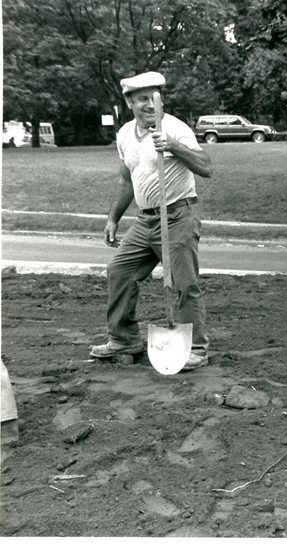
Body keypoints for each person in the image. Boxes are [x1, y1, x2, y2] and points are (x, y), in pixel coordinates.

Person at [90, 71, 213, 371]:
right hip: (144, 221)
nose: (149, 104)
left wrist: (173, 146)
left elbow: (206, 167)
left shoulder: (176, 129)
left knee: (184, 283)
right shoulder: (124, 135)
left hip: (177, 215)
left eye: (154, 97)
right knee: (119, 270)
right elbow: (126, 179)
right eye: (142, 98)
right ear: (129, 102)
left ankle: (195, 348)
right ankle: (124, 339)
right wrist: (113, 219)